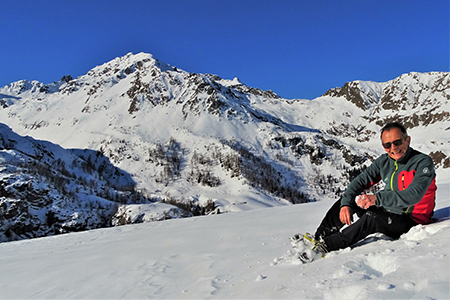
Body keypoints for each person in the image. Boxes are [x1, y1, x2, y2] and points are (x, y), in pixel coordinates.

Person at [292, 122, 437, 262]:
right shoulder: (385, 161)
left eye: (397, 142)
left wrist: (378, 198)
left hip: (412, 220)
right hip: (388, 212)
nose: (393, 148)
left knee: (372, 217)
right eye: (388, 145)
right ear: (383, 146)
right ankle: (320, 236)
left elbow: (415, 194)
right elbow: (359, 182)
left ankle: (327, 246)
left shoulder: (422, 162)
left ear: (407, 140)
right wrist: (346, 204)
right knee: (351, 200)